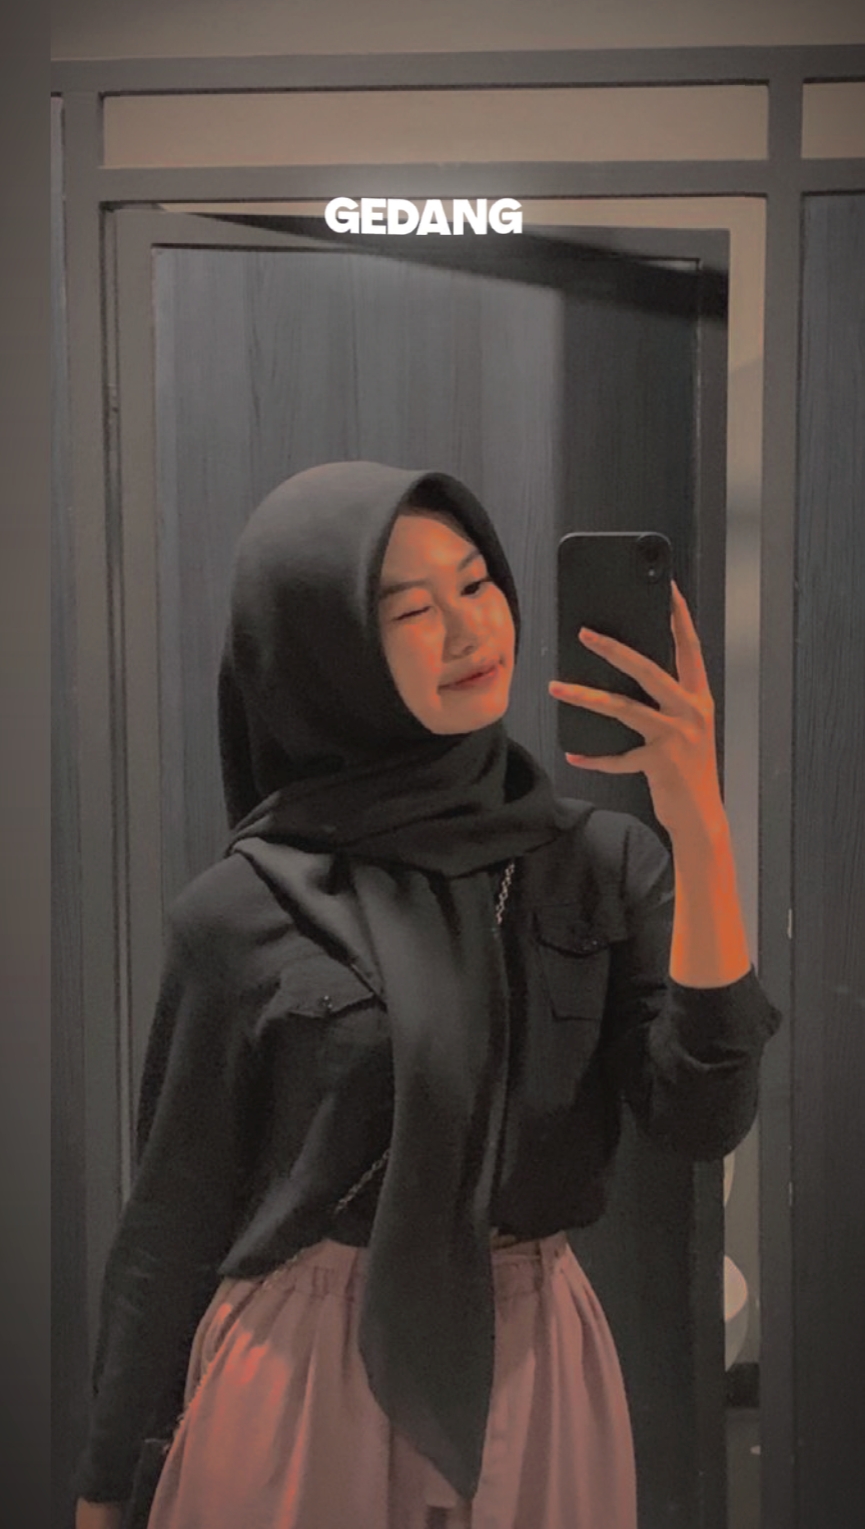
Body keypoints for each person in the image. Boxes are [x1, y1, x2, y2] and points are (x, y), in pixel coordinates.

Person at [74, 460, 781, 1529]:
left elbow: (701, 1113)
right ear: (326, 653)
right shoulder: (239, 911)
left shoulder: (600, 862)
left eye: (475, 582)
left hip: (538, 1365)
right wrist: (103, 1491)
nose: (467, 630)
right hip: (301, 1370)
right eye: (409, 609)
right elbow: (171, 1220)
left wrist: (701, 822)